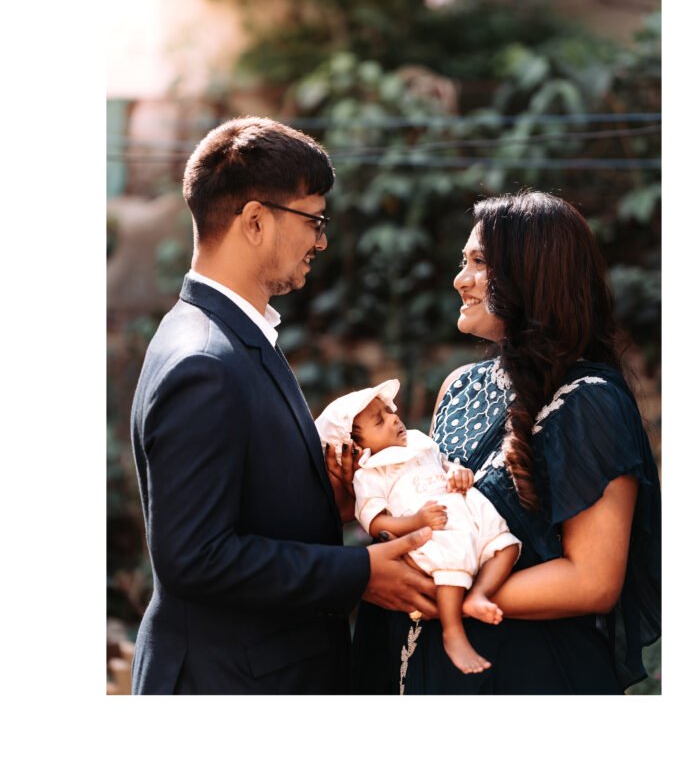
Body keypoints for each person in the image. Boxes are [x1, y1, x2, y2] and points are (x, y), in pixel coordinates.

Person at [129, 116, 436, 695]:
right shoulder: (204, 360)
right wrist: (360, 571)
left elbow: (237, 508)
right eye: (313, 220)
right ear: (254, 221)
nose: (320, 241)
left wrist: (331, 501)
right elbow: (194, 556)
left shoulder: (227, 335)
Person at [351, 189, 661, 694]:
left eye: (479, 262)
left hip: (521, 669)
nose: (460, 279)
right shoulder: (459, 386)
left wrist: (436, 590)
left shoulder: (590, 401)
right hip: (411, 658)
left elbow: (594, 580)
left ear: (531, 274)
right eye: (463, 260)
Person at [315, 379, 520, 674]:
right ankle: (453, 632)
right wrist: (417, 522)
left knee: (506, 545)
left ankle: (479, 594)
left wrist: (458, 473)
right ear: (356, 447)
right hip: (432, 530)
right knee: (450, 561)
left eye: (389, 410)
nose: (394, 418)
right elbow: (375, 522)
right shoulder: (370, 474)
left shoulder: (419, 443)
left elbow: (444, 464)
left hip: (466, 510)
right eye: (379, 420)